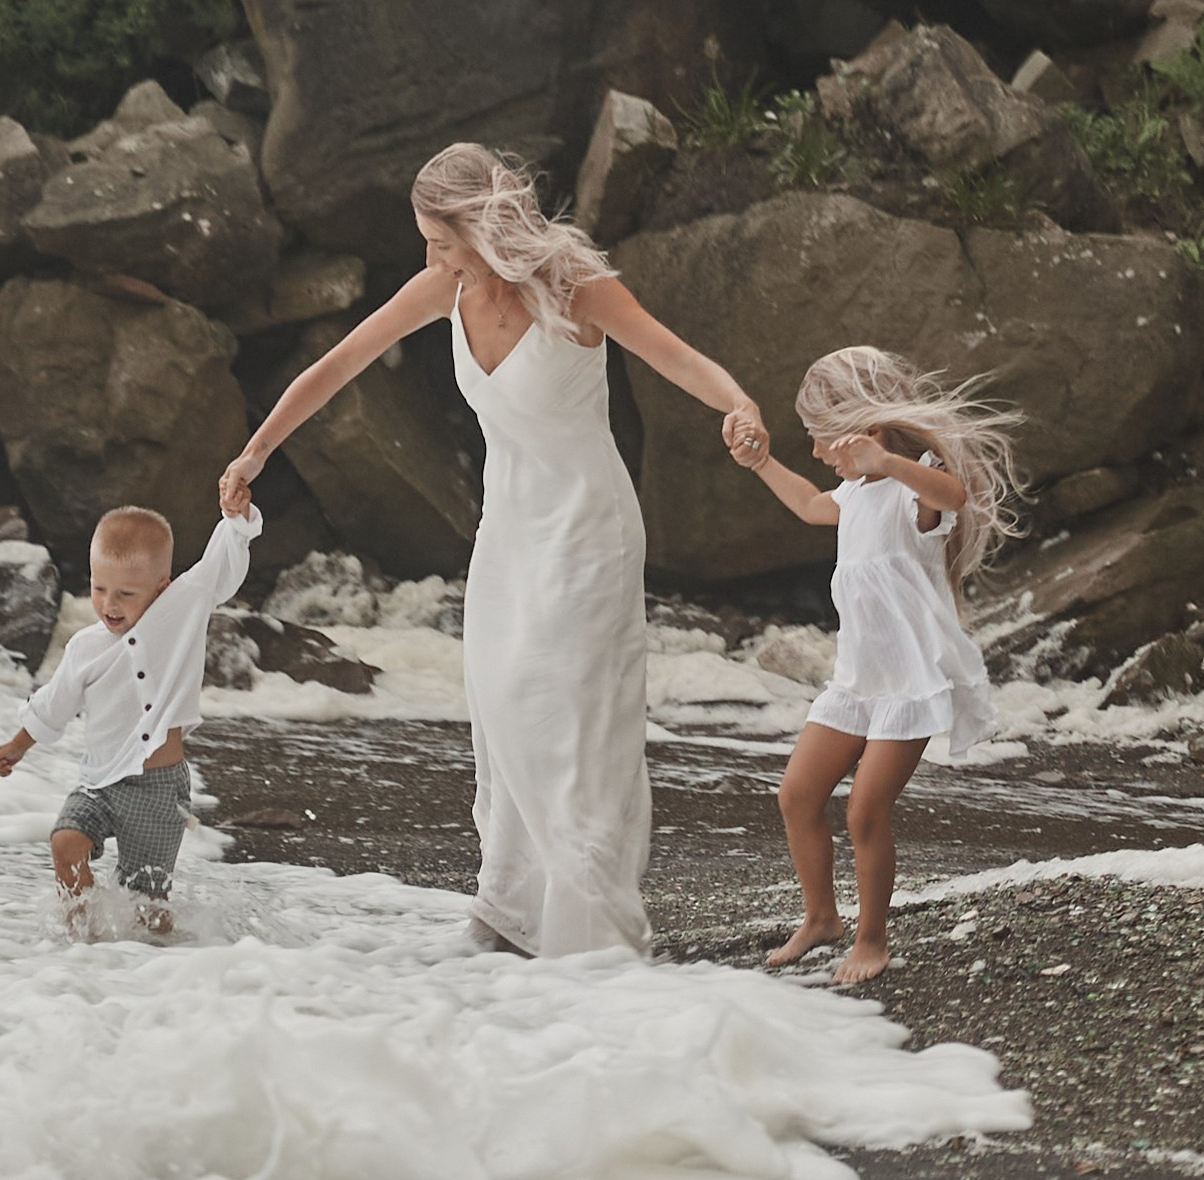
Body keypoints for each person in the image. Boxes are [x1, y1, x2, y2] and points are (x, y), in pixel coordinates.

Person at [218, 144, 765, 959]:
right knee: (503, 706)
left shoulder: (577, 287)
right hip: (508, 528)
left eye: (442, 241)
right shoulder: (445, 287)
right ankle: (510, 914)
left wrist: (739, 405)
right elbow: (338, 365)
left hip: (589, 526)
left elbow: (676, 355)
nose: (431, 259)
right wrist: (255, 452)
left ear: (484, 228)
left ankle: (592, 935)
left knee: (575, 722)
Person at [731, 345, 1018, 988]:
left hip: (909, 684)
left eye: (819, 436)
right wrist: (761, 462)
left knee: (864, 810)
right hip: (857, 682)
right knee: (797, 795)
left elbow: (954, 494)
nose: (815, 451)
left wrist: (886, 460)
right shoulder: (857, 493)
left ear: (859, 425)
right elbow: (810, 506)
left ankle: (871, 939)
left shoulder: (915, 482)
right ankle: (821, 918)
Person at [0, 500, 261, 938]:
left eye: (126, 594)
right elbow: (54, 703)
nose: (109, 604)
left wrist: (236, 517)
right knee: (65, 843)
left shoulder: (181, 614)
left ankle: (152, 964)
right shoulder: (85, 648)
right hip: (98, 783)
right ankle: (84, 941)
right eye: (99, 588)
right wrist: (18, 745)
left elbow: (220, 566)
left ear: (161, 588)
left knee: (149, 911)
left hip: (158, 790)